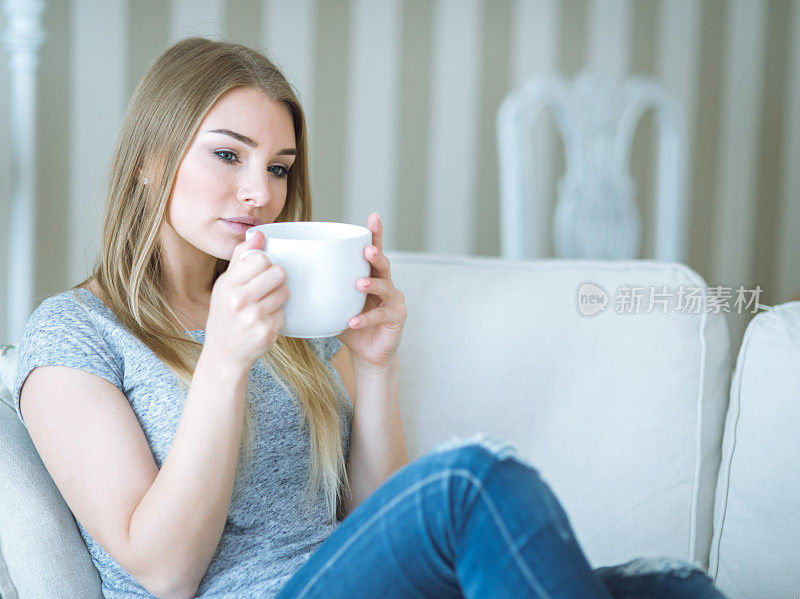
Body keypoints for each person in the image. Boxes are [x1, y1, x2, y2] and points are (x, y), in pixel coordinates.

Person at [11, 37, 727, 599]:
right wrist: (224, 362)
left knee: (674, 585)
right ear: (149, 160)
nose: (259, 191)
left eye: (280, 167)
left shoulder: (293, 314)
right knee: (472, 480)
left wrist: (377, 364)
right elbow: (167, 573)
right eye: (229, 154)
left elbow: (374, 519)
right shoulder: (74, 334)